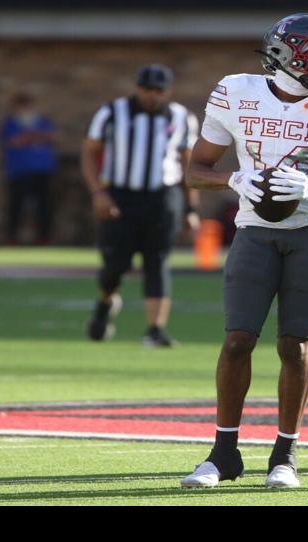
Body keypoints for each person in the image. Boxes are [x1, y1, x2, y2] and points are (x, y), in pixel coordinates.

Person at [177, 13, 308, 489]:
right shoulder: (236, 90)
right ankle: (223, 454)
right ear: (283, 53)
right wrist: (234, 178)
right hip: (253, 231)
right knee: (237, 339)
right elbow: (195, 169)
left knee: (294, 344)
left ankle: (285, 456)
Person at [81, 64, 201, 347]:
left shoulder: (181, 117)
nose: (153, 95)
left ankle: (155, 329)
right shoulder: (111, 112)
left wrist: (191, 208)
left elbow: (188, 164)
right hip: (120, 196)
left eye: (159, 90)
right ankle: (104, 304)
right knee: (114, 265)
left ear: (167, 91)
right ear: (137, 87)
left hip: (162, 197)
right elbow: (88, 153)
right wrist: (98, 192)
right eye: (147, 89)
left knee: (157, 262)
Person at [0, 93, 58, 244]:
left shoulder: (43, 121)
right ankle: (11, 238)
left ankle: (44, 237)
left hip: (42, 169)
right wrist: (33, 137)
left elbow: (51, 136)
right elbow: (14, 141)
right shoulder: (10, 123)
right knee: (16, 205)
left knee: (44, 205)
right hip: (19, 170)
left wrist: (29, 137)